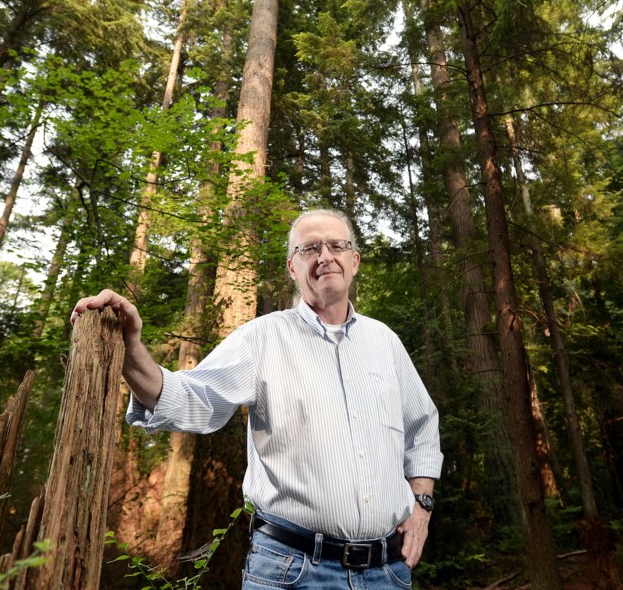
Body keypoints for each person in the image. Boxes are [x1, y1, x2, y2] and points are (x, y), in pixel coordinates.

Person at [71, 209, 442, 589]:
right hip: (293, 571)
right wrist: (131, 350)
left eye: (336, 245)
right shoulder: (262, 339)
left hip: (388, 572)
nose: (325, 256)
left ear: (354, 260)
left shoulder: (385, 343)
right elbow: (192, 399)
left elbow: (423, 427)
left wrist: (422, 508)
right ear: (293, 268)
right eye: (309, 248)